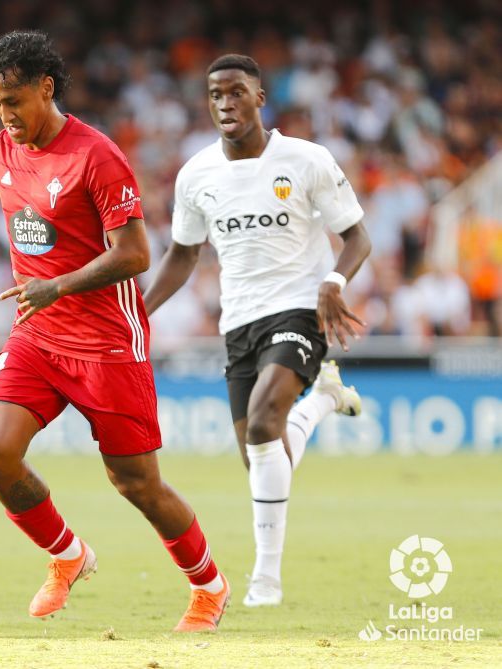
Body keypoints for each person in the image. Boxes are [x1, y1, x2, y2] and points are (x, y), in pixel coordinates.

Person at [0, 30, 229, 631]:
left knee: (137, 484)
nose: (6, 116)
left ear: (46, 88)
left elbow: (136, 254)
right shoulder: (3, 149)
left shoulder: (95, 156)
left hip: (108, 342)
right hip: (38, 337)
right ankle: (68, 556)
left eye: (14, 102)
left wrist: (58, 286)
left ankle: (209, 588)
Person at [144, 54, 372, 608]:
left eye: (236, 92)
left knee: (266, 421)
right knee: (262, 455)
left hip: (299, 309)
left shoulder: (306, 160)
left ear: (259, 97)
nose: (226, 103)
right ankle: (322, 401)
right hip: (238, 322)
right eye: (216, 94)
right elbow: (182, 254)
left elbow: (358, 236)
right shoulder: (196, 174)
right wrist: (139, 311)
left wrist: (335, 279)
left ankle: (265, 579)